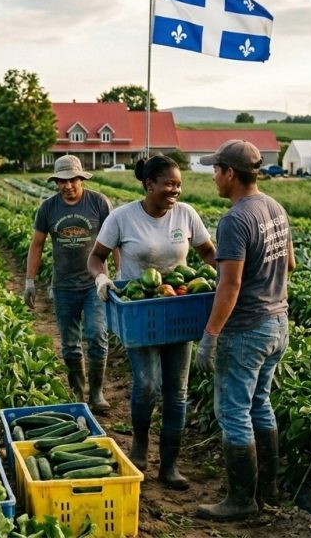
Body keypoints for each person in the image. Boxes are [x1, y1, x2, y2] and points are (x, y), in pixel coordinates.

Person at [88, 155, 216, 490]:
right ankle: (140, 447)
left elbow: (207, 253)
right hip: (140, 310)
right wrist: (101, 279)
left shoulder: (186, 214)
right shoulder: (122, 217)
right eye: (169, 184)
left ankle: (170, 464)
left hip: (179, 307)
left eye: (178, 184)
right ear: (149, 185)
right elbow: (95, 257)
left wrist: (227, 277)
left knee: (177, 392)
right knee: (146, 385)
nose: (175, 190)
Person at [193, 140, 296, 520]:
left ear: (230, 174)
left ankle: (241, 500)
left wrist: (211, 335)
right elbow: (291, 265)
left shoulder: (235, 219)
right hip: (277, 323)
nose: (213, 177)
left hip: (247, 329)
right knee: (260, 403)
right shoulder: (274, 208)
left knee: (233, 411)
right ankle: (267, 488)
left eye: (216, 170)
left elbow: (230, 285)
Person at [25, 154, 116, 412]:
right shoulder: (48, 208)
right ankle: (78, 392)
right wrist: (29, 281)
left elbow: (115, 240)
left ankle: (97, 393)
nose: (67, 186)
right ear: (56, 182)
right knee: (69, 344)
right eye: (61, 181)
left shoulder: (99, 203)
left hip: (94, 284)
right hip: (63, 286)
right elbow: (37, 244)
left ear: (81, 179)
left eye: (72, 180)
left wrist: (119, 275)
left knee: (97, 336)